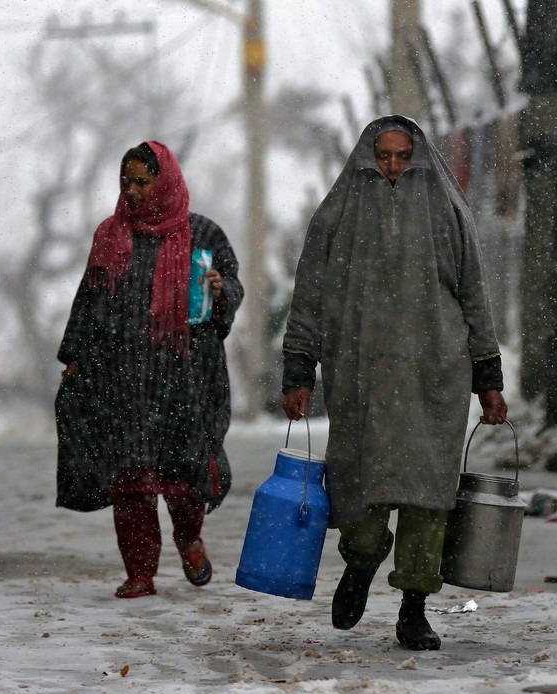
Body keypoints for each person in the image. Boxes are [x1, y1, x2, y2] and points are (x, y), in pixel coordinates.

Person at [281, 116, 507, 651]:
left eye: (403, 155)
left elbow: (473, 291)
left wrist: (488, 375)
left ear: (419, 158)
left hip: (434, 374)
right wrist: (299, 366)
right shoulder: (339, 211)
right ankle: (360, 562)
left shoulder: (448, 210)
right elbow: (309, 290)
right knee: (359, 486)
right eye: (383, 156)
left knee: (429, 495)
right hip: (361, 376)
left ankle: (414, 607)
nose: (393, 165)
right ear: (365, 157)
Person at [55, 141, 243, 599]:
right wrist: (76, 358)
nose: (134, 191)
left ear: (166, 181)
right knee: (131, 479)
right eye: (127, 182)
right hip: (124, 379)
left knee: (183, 474)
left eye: (143, 181)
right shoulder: (110, 235)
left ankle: (188, 537)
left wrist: (221, 291)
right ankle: (140, 571)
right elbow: (90, 298)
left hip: (186, 378)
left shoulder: (204, 235)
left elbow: (230, 293)